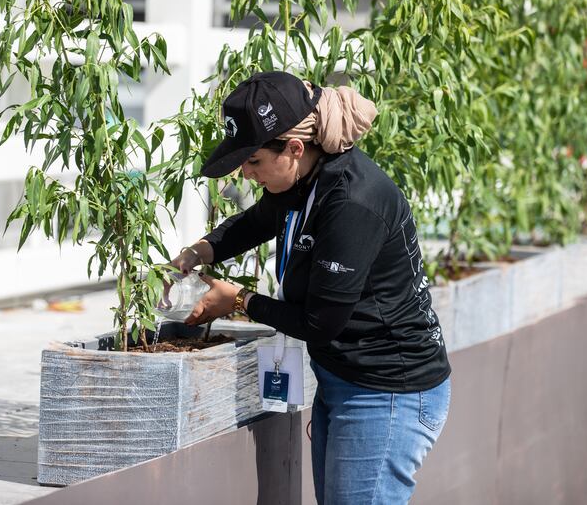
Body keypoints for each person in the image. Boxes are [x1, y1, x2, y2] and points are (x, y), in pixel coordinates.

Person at [169, 71, 451, 505]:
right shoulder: (308, 177)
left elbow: (320, 322)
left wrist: (240, 300)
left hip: (388, 392)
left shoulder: (352, 202)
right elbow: (259, 220)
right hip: (346, 380)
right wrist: (200, 251)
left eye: (254, 162)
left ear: (295, 148)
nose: (246, 173)